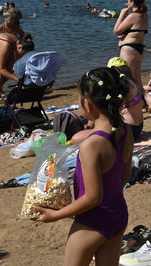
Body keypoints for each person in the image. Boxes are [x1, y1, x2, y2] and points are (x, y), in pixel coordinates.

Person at [33, 66, 133, 266]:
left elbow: (93, 197)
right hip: (118, 214)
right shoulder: (125, 131)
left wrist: (56, 215)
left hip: (92, 221)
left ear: (88, 104)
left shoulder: (91, 145)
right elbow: (124, 176)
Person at [113, 0, 149, 89]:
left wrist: (121, 15)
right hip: (139, 49)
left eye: (128, 1)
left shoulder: (132, 16)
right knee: (138, 83)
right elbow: (137, 31)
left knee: (128, 81)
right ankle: (144, 103)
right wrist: (126, 34)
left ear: (132, 3)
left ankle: (133, 104)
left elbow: (116, 31)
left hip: (129, 50)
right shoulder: (145, 15)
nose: (127, 3)